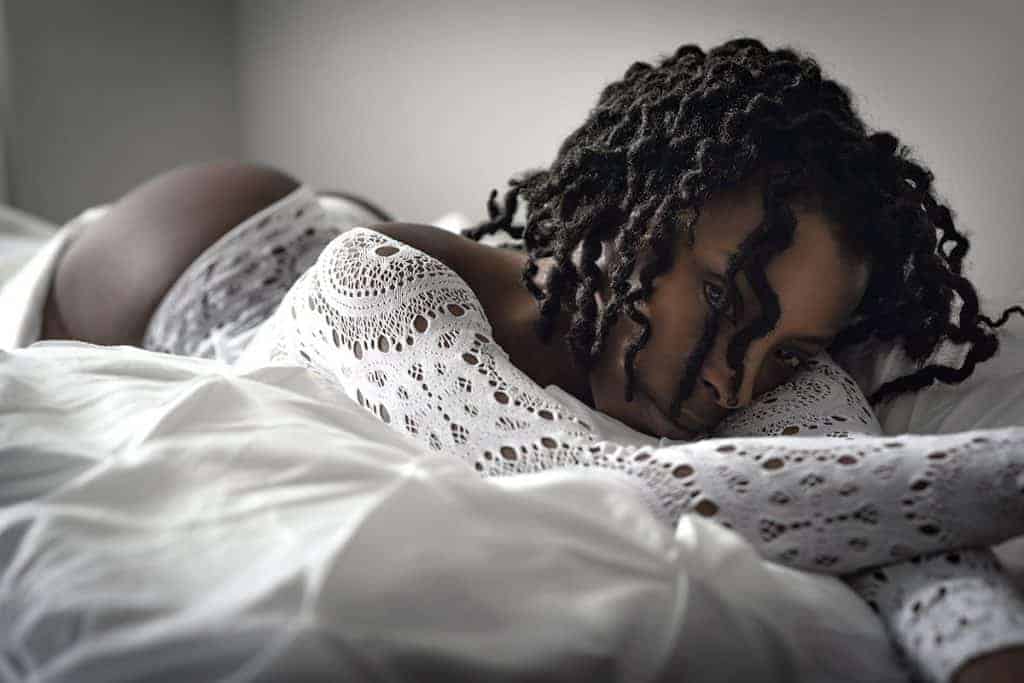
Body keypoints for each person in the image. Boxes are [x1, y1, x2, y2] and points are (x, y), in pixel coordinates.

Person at [39, 37, 1024, 682]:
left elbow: (912, 540)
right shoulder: (380, 276)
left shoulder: (769, 380)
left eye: (788, 348)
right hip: (191, 260)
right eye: (725, 301)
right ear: (627, 226)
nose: (732, 378)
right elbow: (621, 485)